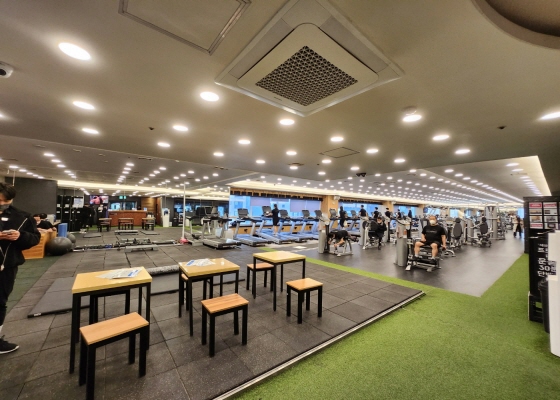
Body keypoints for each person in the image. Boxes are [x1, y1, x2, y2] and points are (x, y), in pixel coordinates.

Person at [0, 182, 41, 354]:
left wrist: (20, 236)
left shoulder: (22, 217)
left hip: (6, 266)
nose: (2, 204)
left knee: (0, 302)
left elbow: (35, 238)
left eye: (6, 201)